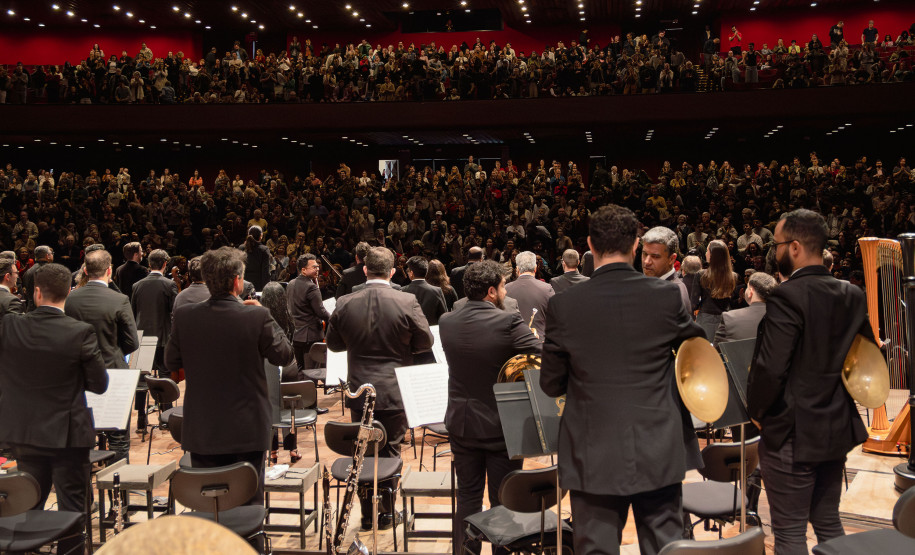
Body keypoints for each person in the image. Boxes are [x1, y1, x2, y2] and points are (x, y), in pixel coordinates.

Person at [540, 205, 705, 555]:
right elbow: (696, 353)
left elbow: (551, 384)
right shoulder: (666, 296)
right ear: (635, 245)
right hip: (658, 444)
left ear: (589, 244)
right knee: (666, 548)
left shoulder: (564, 305)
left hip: (592, 449)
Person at [748, 209, 872, 554]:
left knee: (788, 535)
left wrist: (757, 411)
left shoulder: (787, 296)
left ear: (796, 247)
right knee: (829, 522)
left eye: (778, 245)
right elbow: (867, 360)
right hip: (835, 428)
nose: (775, 251)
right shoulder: (852, 294)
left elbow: (771, 369)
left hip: (792, 434)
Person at [165, 247, 294, 506]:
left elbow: (171, 361)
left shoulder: (185, 315)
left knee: (211, 506)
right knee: (249, 503)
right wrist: (267, 315)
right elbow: (285, 355)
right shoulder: (256, 315)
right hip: (247, 428)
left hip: (203, 429)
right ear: (237, 281)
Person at [0, 263, 108, 555]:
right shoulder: (81, 332)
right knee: (71, 508)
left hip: (24, 433)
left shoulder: (10, 326)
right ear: (69, 293)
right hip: (68, 436)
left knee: (28, 505)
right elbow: (99, 385)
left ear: (36, 292)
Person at [326, 246, 433, 530]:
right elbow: (425, 343)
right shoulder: (406, 300)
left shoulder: (345, 301)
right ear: (393, 271)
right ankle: (386, 514)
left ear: (364, 269)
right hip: (395, 390)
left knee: (362, 451)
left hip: (360, 392)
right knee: (391, 450)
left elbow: (334, 344)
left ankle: (366, 515)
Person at [440, 260, 541, 553]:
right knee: (503, 500)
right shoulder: (508, 322)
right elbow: (539, 354)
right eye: (502, 286)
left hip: (461, 423)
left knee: (468, 496)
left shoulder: (447, 321)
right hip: (503, 427)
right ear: (491, 292)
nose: (505, 290)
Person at [65, 249, 139, 464]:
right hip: (112, 373)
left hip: (78, 376)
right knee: (118, 437)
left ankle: (84, 489)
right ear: (110, 270)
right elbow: (132, 341)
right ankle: (117, 487)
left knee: (83, 434)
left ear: (85, 270)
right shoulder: (119, 299)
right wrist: (113, 352)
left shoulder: (70, 299)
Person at [131, 249, 178, 428]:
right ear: (165, 264)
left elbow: (133, 312)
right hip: (163, 338)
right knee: (165, 376)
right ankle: (166, 418)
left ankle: (141, 418)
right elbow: (173, 312)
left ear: (149, 264)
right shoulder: (169, 284)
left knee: (142, 379)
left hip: (141, 337)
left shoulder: (137, 286)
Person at [286, 253, 331, 391]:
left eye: (318, 266)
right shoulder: (311, 287)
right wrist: (334, 317)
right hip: (310, 335)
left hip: (297, 334)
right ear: (303, 270)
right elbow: (321, 312)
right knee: (311, 372)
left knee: (300, 370)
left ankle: (301, 404)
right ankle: (311, 406)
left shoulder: (291, 284)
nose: (317, 269)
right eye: (314, 267)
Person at [690, 240, 737, 341]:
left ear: (712, 255)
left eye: (707, 251)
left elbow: (693, 303)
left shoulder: (701, 275)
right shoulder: (733, 277)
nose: (706, 253)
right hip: (727, 319)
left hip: (706, 319)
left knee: (706, 352)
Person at [714, 271, 777, 345]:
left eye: (747, 287)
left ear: (751, 291)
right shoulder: (783, 317)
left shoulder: (729, 317)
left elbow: (716, 353)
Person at [505, 251, 554, 340]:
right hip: (539, 343)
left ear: (517, 269)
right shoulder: (547, 289)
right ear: (535, 268)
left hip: (512, 344)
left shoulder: (505, 289)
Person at [641, 226, 691, 312]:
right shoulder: (651, 284)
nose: (646, 262)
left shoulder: (674, 296)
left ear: (672, 259)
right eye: (645, 254)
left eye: (655, 256)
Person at [402, 256, 448, 325]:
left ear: (411, 273)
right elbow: (443, 316)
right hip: (432, 332)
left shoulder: (402, 291)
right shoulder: (436, 291)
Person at [21, 244, 53, 311]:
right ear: (47, 256)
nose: (53, 255)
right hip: (43, 309)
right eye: (51, 253)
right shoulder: (50, 271)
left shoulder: (28, 271)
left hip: (30, 308)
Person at [242, 225, 272, 291]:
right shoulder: (264, 250)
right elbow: (265, 273)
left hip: (242, 286)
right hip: (257, 287)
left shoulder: (241, 248)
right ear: (261, 236)